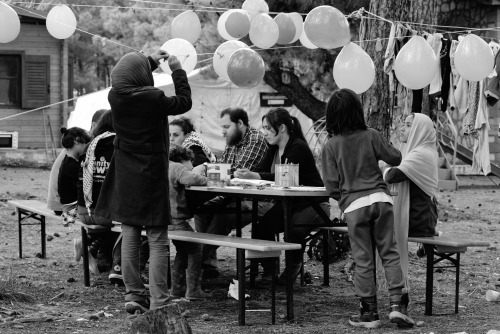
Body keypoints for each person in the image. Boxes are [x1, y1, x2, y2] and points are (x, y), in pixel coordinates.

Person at [94, 49, 192, 315]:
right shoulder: (153, 97)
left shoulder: (114, 96)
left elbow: (131, 76)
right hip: (150, 172)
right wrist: (177, 71)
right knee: (158, 238)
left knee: (130, 235)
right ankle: (160, 300)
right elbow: (184, 102)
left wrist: (149, 61)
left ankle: (134, 296)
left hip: (125, 173)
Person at [321, 89, 415, 329]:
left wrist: (343, 197)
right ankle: (397, 305)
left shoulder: (331, 146)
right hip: (382, 201)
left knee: (363, 259)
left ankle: (369, 314)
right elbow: (395, 157)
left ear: (331, 116)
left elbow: (331, 186)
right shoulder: (371, 135)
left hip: (355, 206)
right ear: (358, 111)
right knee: (389, 253)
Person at [234, 107, 329, 284]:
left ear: (282, 128)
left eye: (268, 128)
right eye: (263, 128)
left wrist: (254, 176)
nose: (264, 133)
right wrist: (247, 174)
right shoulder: (273, 148)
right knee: (261, 227)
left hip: (313, 204)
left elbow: (285, 177)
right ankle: (269, 271)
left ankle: (294, 267)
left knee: (294, 229)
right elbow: (261, 171)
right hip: (290, 204)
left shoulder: (297, 147)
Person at [194, 107, 269, 278]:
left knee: (223, 217)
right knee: (201, 209)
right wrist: (214, 171)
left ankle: (194, 263)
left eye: (226, 127)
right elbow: (223, 170)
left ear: (240, 124)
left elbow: (237, 172)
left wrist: (208, 169)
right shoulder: (233, 141)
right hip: (232, 196)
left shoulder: (255, 139)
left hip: (255, 199)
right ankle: (208, 263)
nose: (222, 132)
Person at [383, 113, 439, 282]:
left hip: (419, 221)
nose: (403, 129)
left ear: (419, 130)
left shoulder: (422, 154)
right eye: (404, 124)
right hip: (419, 217)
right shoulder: (419, 151)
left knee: (375, 227)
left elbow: (392, 175)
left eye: (408, 125)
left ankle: (391, 283)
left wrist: (383, 166)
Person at [168, 144, 209, 300]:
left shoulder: (164, 166)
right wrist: (205, 179)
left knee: (183, 250)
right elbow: (190, 177)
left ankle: (177, 289)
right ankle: (193, 290)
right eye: (191, 163)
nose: (192, 167)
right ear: (183, 159)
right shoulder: (177, 167)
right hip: (177, 218)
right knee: (195, 248)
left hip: (165, 218)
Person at [47, 109, 107, 215]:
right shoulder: (86, 145)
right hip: (63, 205)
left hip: (60, 202)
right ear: (94, 125)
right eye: (105, 126)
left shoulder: (73, 147)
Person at [57, 127, 91, 227]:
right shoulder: (72, 166)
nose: (86, 147)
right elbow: (81, 189)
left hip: (67, 206)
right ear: (76, 141)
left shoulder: (67, 160)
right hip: (71, 209)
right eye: (85, 144)